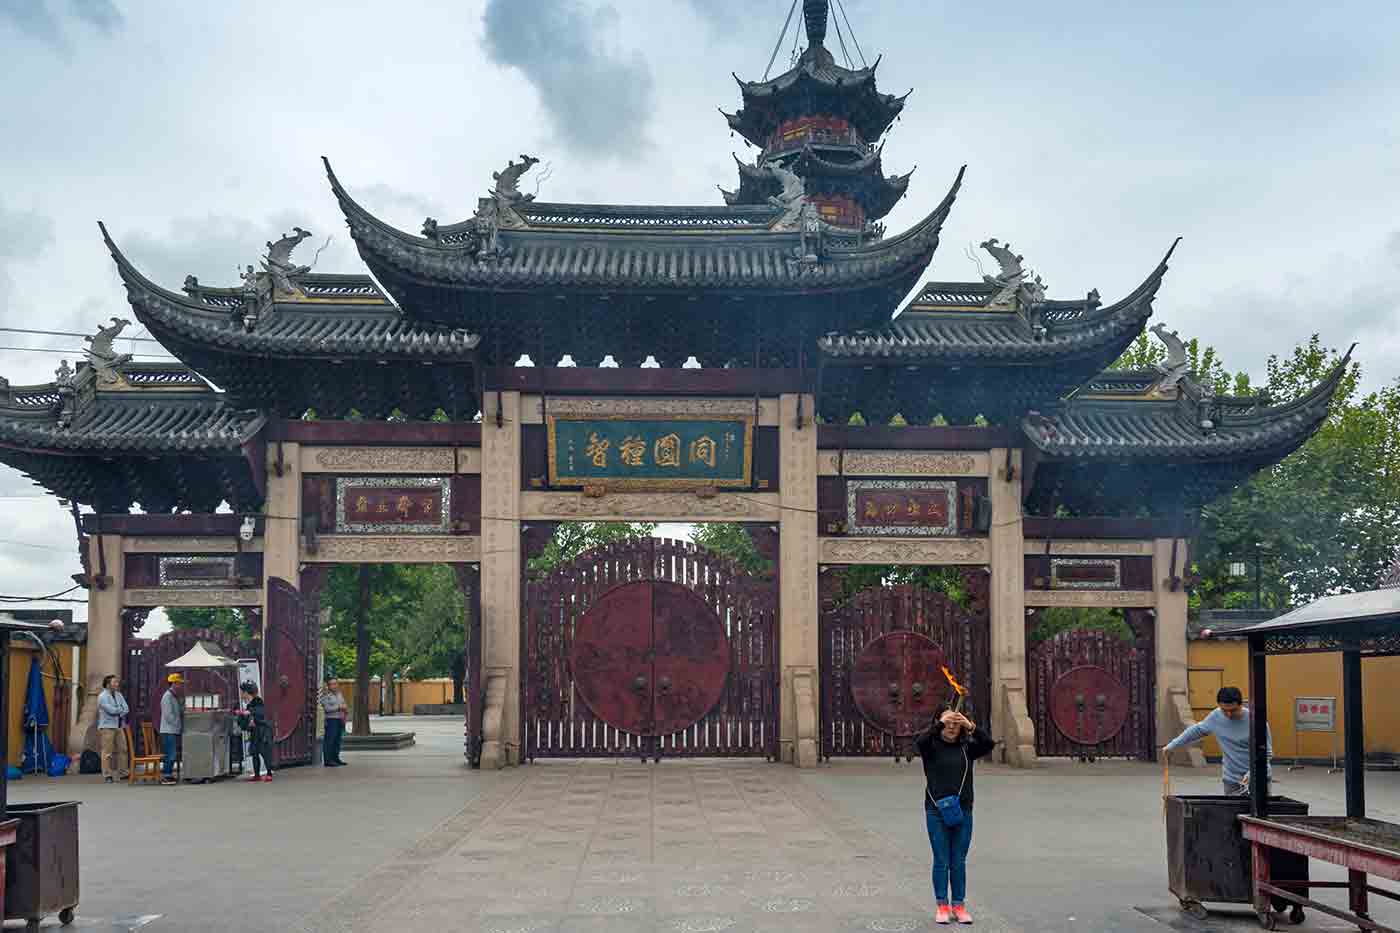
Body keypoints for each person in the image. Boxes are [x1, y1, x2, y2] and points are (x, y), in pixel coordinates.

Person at [917, 707, 997, 925]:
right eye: (948, 723)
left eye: (956, 723)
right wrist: (941, 722)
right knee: (941, 859)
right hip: (936, 810)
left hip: (963, 810)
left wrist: (971, 726)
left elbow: (989, 744)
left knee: (958, 860)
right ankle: (942, 905)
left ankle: (959, 905)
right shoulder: (931, 747)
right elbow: (921, 742)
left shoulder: (966, 748)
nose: (952, 727)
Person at [1162, 685, 1272, 795]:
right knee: (1230, 812)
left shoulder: (1256, 721)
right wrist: (1172, 745)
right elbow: (1196, 730)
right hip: (1231, 780)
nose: (1228, 715)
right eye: (1224, 710)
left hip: (1259, 778)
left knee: (1261, 812)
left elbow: (1266, 754)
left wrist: (1253, 772)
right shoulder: (1216, 716)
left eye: (1233, 710)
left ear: (1241, 704)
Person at [96, 674, 130, 783]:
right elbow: (111, 711)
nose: (117, 684)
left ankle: (123, 773)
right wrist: (120, 710)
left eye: (117, 682)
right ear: (108, 684)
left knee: (123, 749)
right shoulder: (102, 696)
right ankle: (107, 775)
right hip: (107, 727)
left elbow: (126, 708)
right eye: (114, 682)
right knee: (107, 752)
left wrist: (118, 710)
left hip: (119, 726)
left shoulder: (119, 695)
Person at [239, 681, 273, 782]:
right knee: (254, 752)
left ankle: (269, 773)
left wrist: (250, 713)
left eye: (242, 692)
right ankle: (257, 774)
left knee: (265, 752)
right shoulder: (249, 704)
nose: (241, 694)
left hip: (263, 732)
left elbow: (260, 712)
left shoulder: (258, 701)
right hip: (255, 732)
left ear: (246, 692)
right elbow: (246, 721)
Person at [159, 673, 184, 785]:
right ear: (173, 683)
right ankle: (166, 775)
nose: (180, 685)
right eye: (178, 683)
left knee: (172, 753)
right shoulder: (167, 696)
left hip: (173, 729)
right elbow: (169, 715)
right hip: (169, 730)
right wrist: (178, 724)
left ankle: (168, 774)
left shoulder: (173, 696)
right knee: (170, 753)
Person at [320, 677, 348, 767]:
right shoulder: (326, 696)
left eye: (335, 684)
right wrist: (339, 707)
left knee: (337, 741)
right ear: (328, 686)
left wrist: (344, 709)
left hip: (339, 719)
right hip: (331, 720)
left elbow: (343, 704)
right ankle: (328, 760)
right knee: (330, 740)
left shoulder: (339, 694)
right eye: (332, 684)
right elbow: (327, 709)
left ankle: (336, 758)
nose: (334, 686)